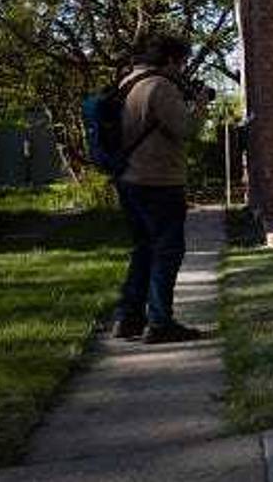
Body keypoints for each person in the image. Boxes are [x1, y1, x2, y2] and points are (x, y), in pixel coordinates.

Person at [111, 34, 208, 344]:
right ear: (169, 60)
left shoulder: (128, 83)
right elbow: (186, 129)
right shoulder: (160, 87)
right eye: (181, 62)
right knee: (167, 251)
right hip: (158, 182)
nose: (182, 69)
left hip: (130, 180)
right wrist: (201, 105)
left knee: (143, 250)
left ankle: (128, 319)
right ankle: (160, 322)